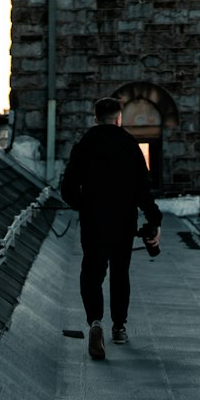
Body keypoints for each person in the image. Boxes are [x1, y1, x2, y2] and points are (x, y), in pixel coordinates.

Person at [61, 96, 162, 359]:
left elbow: (68, 188)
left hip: (94, 221)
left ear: (96, 118)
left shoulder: (85, 145)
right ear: (119, 118)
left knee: (92, 272)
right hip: (123, 222)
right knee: (120, 273)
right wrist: (154, 220)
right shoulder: (130, 145)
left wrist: (83, 204)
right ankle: (119, 327)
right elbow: (143, 189)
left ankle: (95, 321)